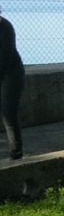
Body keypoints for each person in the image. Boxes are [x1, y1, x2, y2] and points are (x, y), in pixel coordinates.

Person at [0, 14, 26, 160]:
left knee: (8, 114)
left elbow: (5, 59)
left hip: (12, 74)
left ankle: (16, 154)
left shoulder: (6, 27)